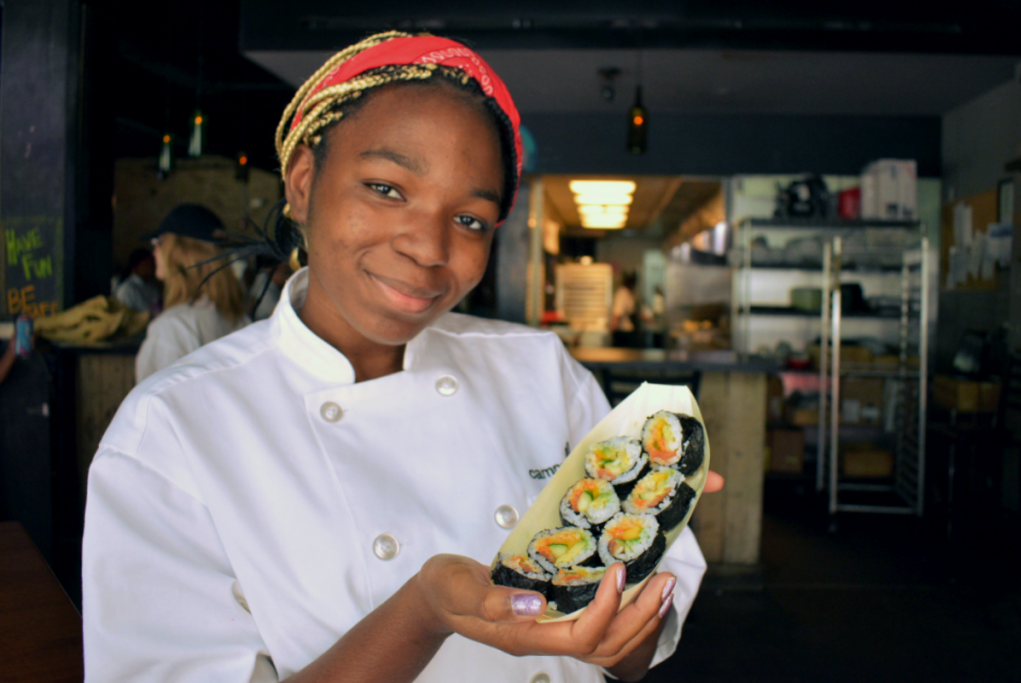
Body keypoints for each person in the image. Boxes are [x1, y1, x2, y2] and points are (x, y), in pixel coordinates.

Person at [83, 32, 723, 683]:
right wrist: (423, 613)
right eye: (386, 188)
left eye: (469, 219)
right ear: (302, 184)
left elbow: (633, 652)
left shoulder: (538, 367)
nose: (428, 247)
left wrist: (623, 613)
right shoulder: (173, 429)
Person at [134, 204, 248, 382]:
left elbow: (152, 397)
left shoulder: (172, 327)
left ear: (181, 252)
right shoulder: (239, 319)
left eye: (159, 242)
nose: (154, 251)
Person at [114, 248, 161, 315]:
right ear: (135, 267)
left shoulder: (152, 288)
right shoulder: (127, 289)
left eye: (151, 264)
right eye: (146, 264)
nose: (150, 267)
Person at [611, 270, 640, 348]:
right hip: (623, 332)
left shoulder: (628, 293)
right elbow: (617, 314)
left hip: (628, 331)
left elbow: (632, 312)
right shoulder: (623, 293)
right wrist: (613, 331)